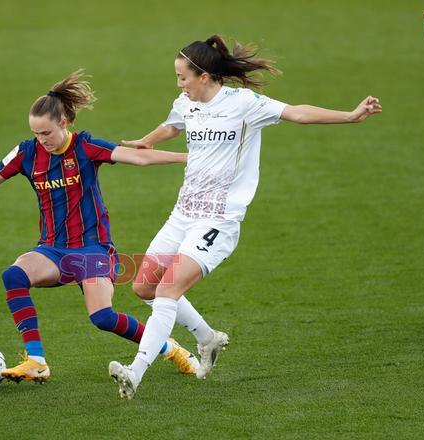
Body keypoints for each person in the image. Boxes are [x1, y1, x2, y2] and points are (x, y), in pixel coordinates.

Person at [109, 35, 382, 399]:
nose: (178, 84)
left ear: (204, 75)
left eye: (182, 77)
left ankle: (136, 371)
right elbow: (174, 124)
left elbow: (297, 112)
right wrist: (149, 139)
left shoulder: (243, 104)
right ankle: (207, 339)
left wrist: (350, 116)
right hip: (183, 213)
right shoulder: (186, 102)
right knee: (144, 285)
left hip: (217, 221)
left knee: (168, 289)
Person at [0, 70, 200, 384]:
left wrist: (187, 156)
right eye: (36, 134)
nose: (41, 141)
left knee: (103, 317)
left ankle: (171, 349)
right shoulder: (26, 153)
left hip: (93, 249)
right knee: (13, 275)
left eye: (46, 133)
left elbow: (137, 158)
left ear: (63, 123)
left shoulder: (85, 147)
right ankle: (36, 360)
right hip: (52, 250)